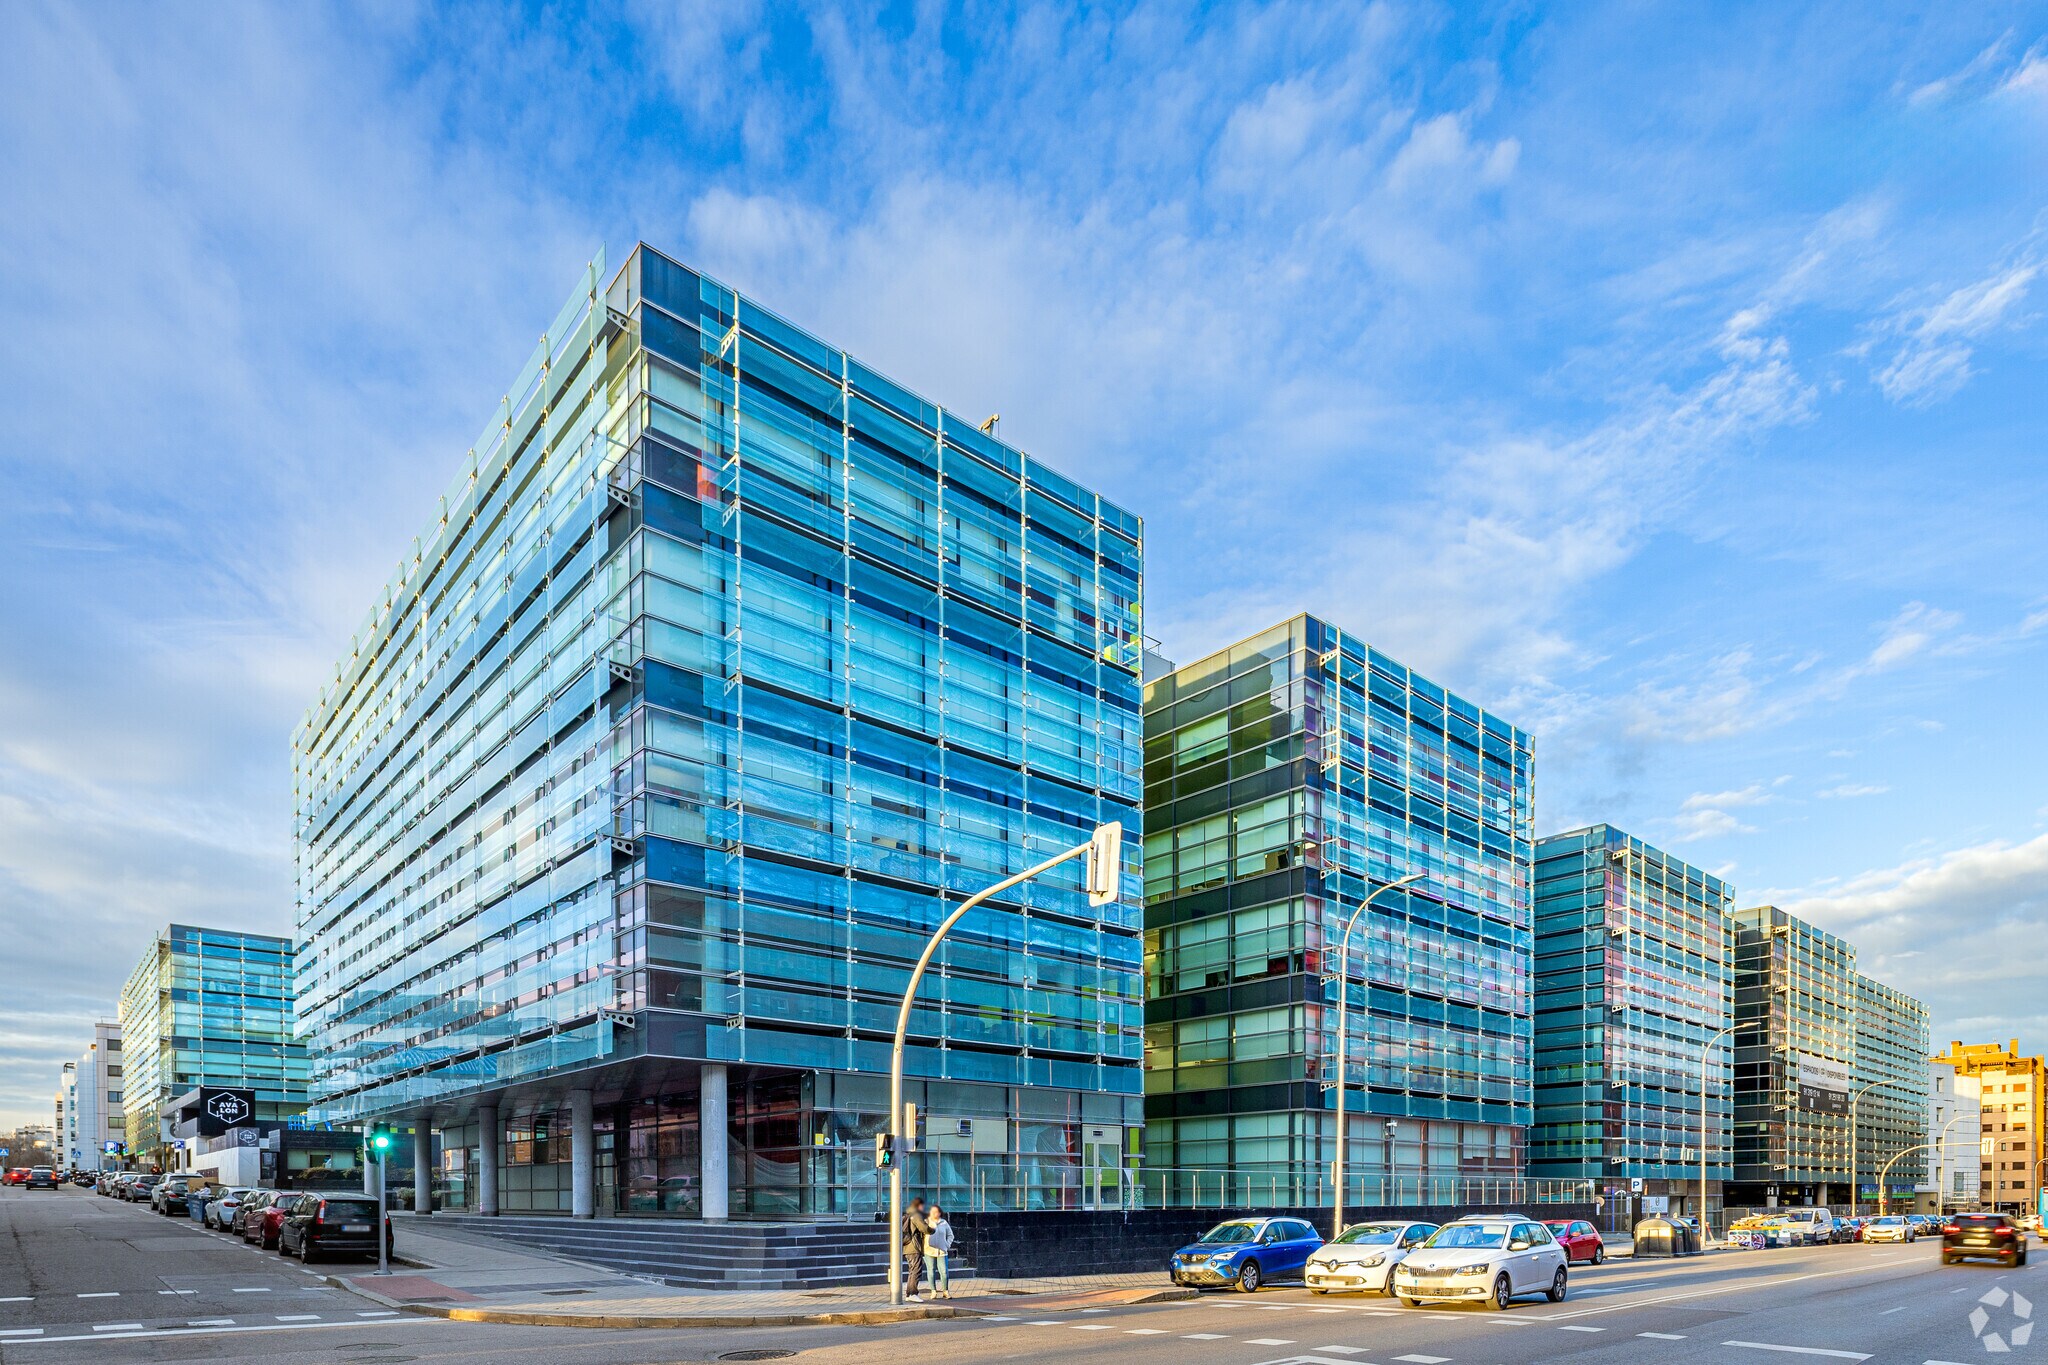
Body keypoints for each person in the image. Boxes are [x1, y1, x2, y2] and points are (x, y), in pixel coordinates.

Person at [901, 1196, 931, 1301]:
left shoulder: (908, 1214)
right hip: (913, 1246)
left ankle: (909, 1294)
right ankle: (913, 1293)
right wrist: (932, 1229)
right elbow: (924, 1228)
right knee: (916, 1270)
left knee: (912, 1270)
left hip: (908, 1247)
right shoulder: (916, 1215)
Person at [924, 1205, 955, 1300]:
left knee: (944, 1271)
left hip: (942, 1251)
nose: (934, 1213)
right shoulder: (926, 1222)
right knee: (931, 1271)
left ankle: (945, 1291)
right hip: (929, 1250)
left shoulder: (944, 1223)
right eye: (932, 1211)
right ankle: (933, 1291)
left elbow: (950, 1235)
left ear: (940, 1213)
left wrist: (947, 1245)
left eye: (936, 1212)